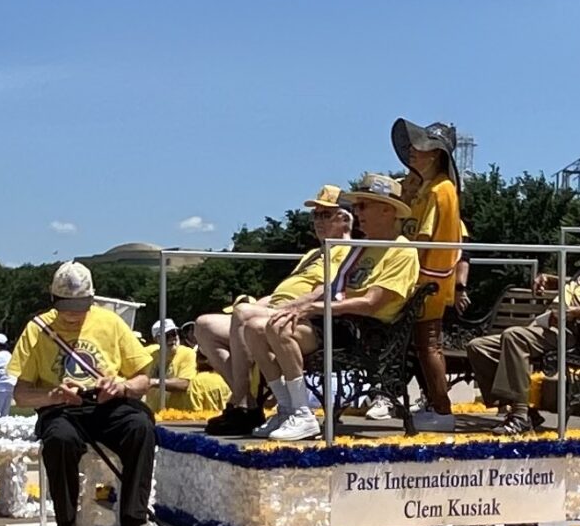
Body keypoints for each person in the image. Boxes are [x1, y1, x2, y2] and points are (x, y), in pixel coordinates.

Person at [236, 173, 421, 441]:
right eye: (357, 206)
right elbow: (332, 289)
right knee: (253, 328)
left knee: (276, 328)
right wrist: (301, 306)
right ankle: (288, 408)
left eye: (363, 205)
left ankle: (302, 413)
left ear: (387, 210)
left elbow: (371, 304)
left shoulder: (402, 251)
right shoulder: (363, 247)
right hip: (337, 323)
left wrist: (314, 309)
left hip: (363, 333)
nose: (358, 212)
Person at [10, 262, 160, 526]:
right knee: (59, 440)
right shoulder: (38, 329)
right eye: (67, 305)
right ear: (53, 301)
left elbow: (144, 379)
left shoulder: (111, 322)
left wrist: (122, 386)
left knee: (140, 427)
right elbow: (21, 394)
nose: (74, 312)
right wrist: (52, 396)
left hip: (108, 403)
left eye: (81, 305)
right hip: (64, 408)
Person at [466, 205, 580, 434]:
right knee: (478, 347)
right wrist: (553, 280)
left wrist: (574, 313)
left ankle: (519, 416)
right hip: (556, 324)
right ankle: (522, 409)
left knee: (514, 337)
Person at [196, 185, 359, 436]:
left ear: (345, 218)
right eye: (315, 216)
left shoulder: (348, 250)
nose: (318, 221)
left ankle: (239, 402)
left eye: (326, 215)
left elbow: (330, 289)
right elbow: (281, 292)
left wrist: (282, 308)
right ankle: (249, 401)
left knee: (243, 316)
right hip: (274, 310)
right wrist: (256, 306)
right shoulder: (313, 254)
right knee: (204, 325)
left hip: (304, 317)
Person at [394, 119, 466, 432]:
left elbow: (424, 240)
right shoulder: (426, 187)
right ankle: (435, 405)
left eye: (419, 147)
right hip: (422, 277)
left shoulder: (440, 190)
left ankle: (442, 409)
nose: (412, 152)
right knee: (424, 345)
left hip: (427, 279)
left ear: (435, 154)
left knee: (429, 344)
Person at [155, 325, 228, 413]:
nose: (172, 338)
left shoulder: (195, 384)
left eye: (174, 334)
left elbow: (193, 414)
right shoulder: (227, 379)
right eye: (167, 335)